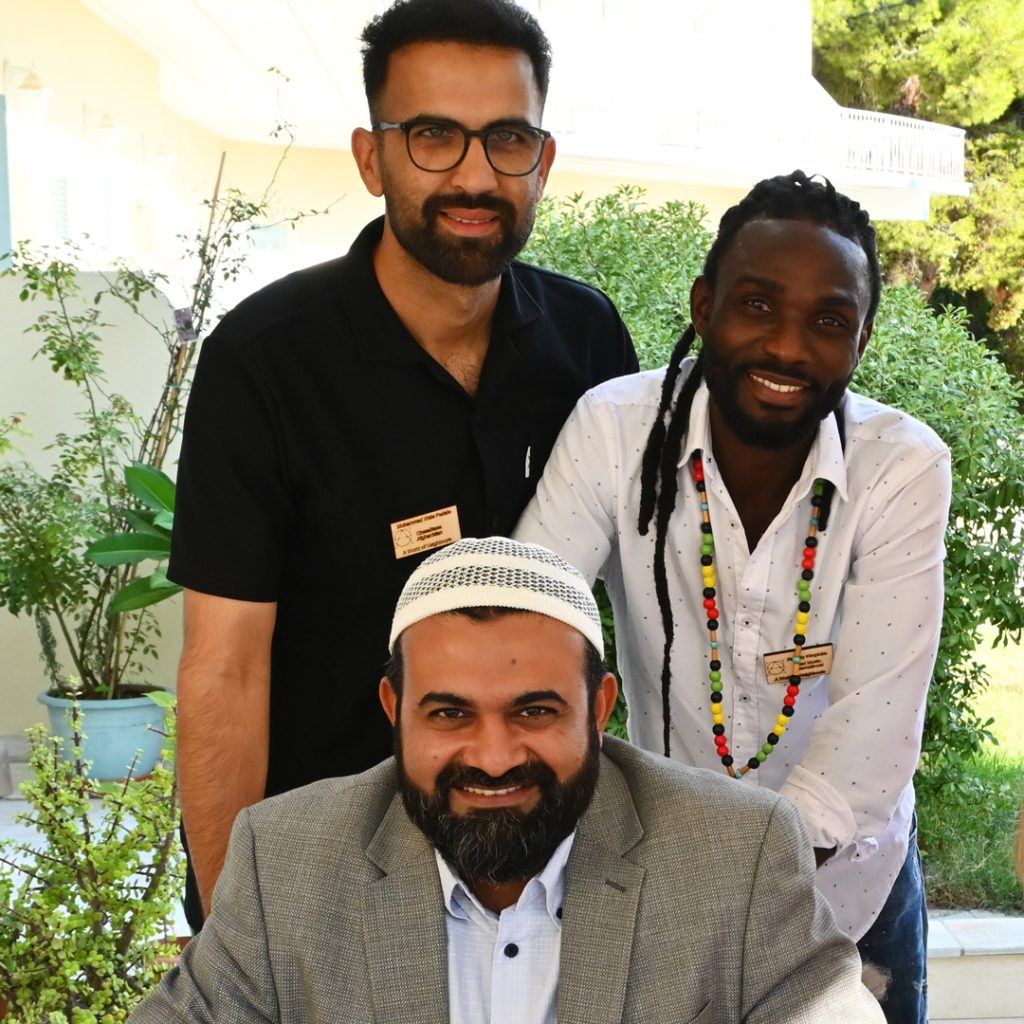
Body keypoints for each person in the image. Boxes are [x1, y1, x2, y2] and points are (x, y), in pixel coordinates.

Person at [167, 0, 637, 929]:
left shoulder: (585, 340)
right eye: (433, 136)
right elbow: (225, 672)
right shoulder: (264, 361)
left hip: (540, 870)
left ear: (541, 160)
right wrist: (236, 926)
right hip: (327, 874)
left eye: (506, 138)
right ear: (370, 155)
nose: (473, 174)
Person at [515, 171, 952, 1023]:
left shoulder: (901, 467)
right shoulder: (616, 430)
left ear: (861, 339)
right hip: (660, 880)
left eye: (829, 321)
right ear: (704, 307)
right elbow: (531, 636)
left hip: (848, 889)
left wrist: (723, 894)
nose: (789, 347)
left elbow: (871, 735)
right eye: (757, 305)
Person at [130, 537, 884, 1023]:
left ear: (600, 708)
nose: (493, 758)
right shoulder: (287, 857)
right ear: (395, 710)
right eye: (451, 713)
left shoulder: (733, 850)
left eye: (534, 710)